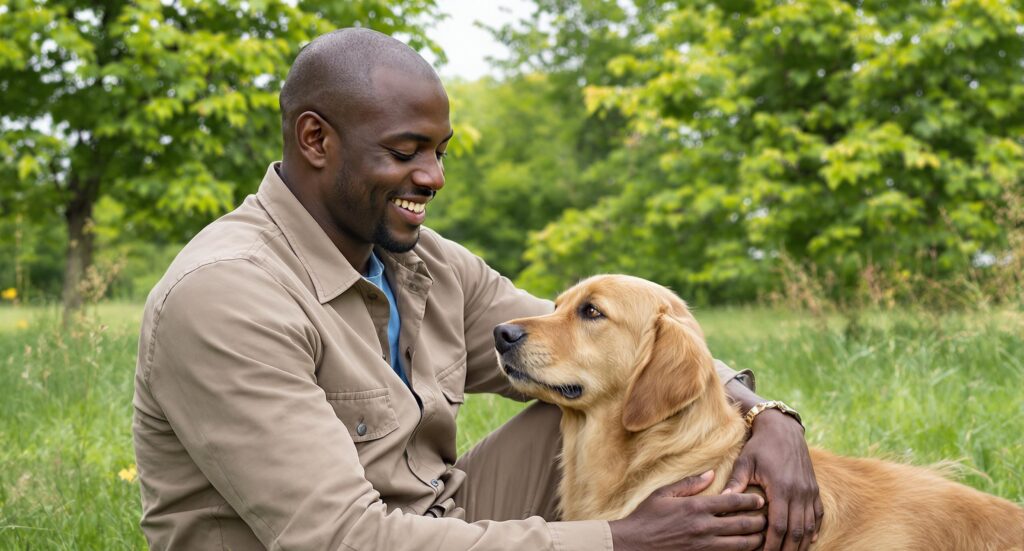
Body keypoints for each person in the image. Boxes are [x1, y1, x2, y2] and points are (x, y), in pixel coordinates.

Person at [132, 28, 822, 551]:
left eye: (440, 151)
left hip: (444, 519)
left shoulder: (422, 261)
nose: (432, 177)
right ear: (316, 139)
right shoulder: (226, 296)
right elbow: (337, 535)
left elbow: (616, 352)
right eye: (406, 152)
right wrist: (620, 538)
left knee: (592, 398)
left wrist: (769, 419)